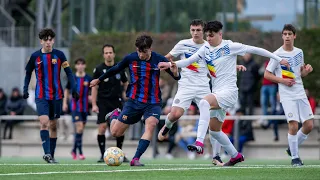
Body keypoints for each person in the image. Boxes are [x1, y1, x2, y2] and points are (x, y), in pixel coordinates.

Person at [158, 20, 289, 166]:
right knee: (214, 131)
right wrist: (170, 64)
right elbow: (189, 61)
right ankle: (235, 155)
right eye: (207, 36)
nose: (208, 39)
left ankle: (199, 142)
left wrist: (278, 59)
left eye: (211, 36)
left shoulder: (230, 46)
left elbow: (257, 50)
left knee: (203, 102)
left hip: (229, 93)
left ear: (220, 34)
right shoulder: (206, 48)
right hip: (217, 93)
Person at [157, 19, 246, 164]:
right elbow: (166, 59)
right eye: (193, 30)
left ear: (203, 31)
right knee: (175, 114)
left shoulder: (209, 45)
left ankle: (216, 156)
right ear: (190, 31)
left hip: (204, 87)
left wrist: (234, 67)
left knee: (214, 123)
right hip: (185, 86)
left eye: (198, 30)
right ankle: (167, 126)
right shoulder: (182, 44)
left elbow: (219, 64)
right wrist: (169, 71)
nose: (195, 33)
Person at [90, 35, 181, 166]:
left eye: (143, 52)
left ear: (150, 49)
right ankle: (114, 115)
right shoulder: (131, 58)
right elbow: (116, 68)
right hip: (134, 101)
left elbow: (177, 77)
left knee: (151, 125)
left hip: (153, 102)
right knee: (116, 132)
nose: (140, 54)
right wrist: (99, 79)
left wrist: (175, 72)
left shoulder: (159, 60)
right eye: (138, 51)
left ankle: (136, 158)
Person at [23, 28, 79, 163]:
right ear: (41, 41)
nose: (48, 42)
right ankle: (47, 153)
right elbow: (28, 74)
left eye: (50, 39)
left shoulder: (59, 55)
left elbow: (69, 73)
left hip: (57, 95)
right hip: (41, 95)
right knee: (44, 122)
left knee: (53, 126)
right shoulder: (35, 56)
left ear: (53, 40)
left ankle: (51, 156)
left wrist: (74, 88)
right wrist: (25, 88)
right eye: (45, 40)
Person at [264, 24, 314, 166]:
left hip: (300, 92)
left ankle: (291, 148)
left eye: (289, 34)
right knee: (293, 125)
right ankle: (295, 158)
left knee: (309, 125)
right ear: (282, 36)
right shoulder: (277, 54)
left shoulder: (299, 52)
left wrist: (307, 71)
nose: (287, 36)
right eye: (284, 34)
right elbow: (267, 74)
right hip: (286, 94)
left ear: (294, 36)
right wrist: (282, 81)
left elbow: (300, 74)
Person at [91, 44, 129, 163]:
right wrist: (94, 104)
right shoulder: (98, 69)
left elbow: (126, 83)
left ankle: (119, 153)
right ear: (103, 55)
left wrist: (126, 96)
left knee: (120, 129)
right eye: (106, 53)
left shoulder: (120, 68)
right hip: (103, 102)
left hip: (117, 103)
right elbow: (94, 87)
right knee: (102, 128)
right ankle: (103, 155)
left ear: (114, 54)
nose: (108, 54)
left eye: (110, 52)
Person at [63, 58, 91, 160]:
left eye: (82, 64)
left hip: (85, 108)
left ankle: (74, 150)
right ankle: (81, 153)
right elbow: (66, 90)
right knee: (79, 128)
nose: (80, 66)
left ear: (84, 66)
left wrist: (92, 98)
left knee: (80, 131)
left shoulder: (88, 78)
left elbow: (92, 91)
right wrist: (64, 102)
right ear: (75, 66)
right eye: (78, 64)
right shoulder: (72, 78)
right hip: (75, 107)